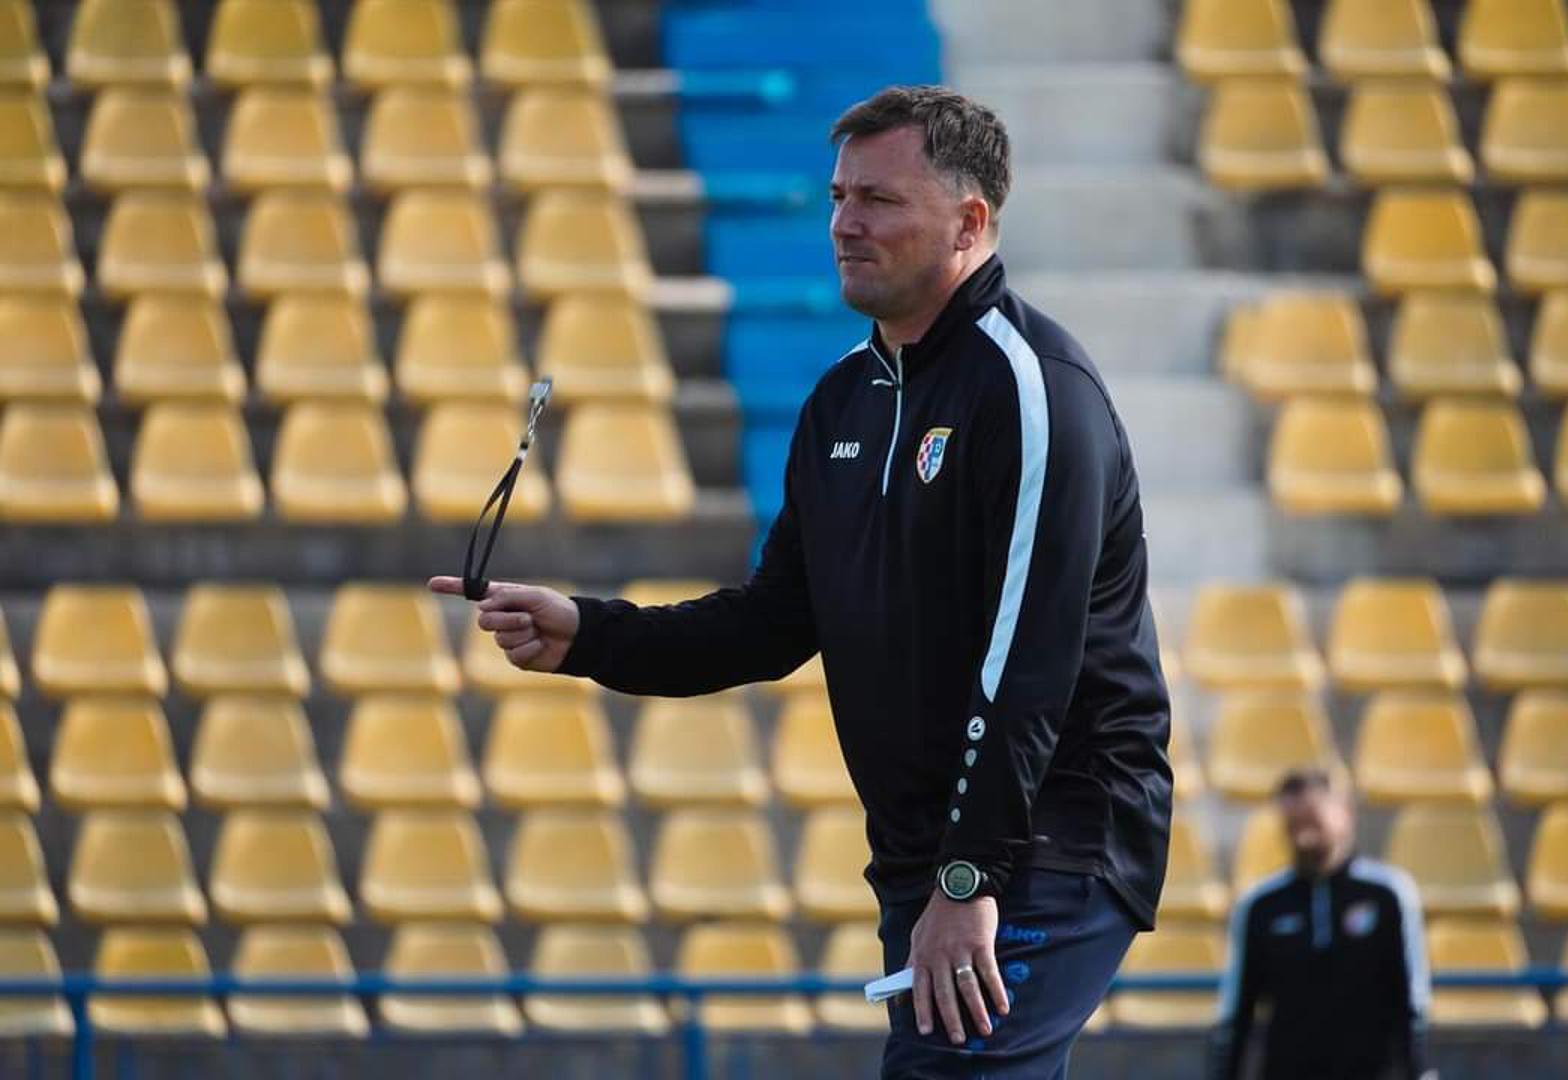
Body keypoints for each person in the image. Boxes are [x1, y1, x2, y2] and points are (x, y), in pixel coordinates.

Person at [431, 85, 1172, 1078]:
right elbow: (774, 621)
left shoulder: (1033, 392)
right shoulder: (840, 402)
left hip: (1047, 838)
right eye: (838, 197)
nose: (844, 224)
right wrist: (590, 633)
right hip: (929, 856)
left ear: (969, 222)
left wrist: (967, 878)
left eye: (878, 200)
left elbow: (1029, 665)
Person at [1210, 768, 1437, 1080]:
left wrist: (1420, 1071)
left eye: (1313, 821)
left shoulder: (1388, 894)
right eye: (1293, 825)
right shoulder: (1260, 906)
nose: (1303, 836)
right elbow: (1237, 1011)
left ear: (1345, 814)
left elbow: (1412, 999)